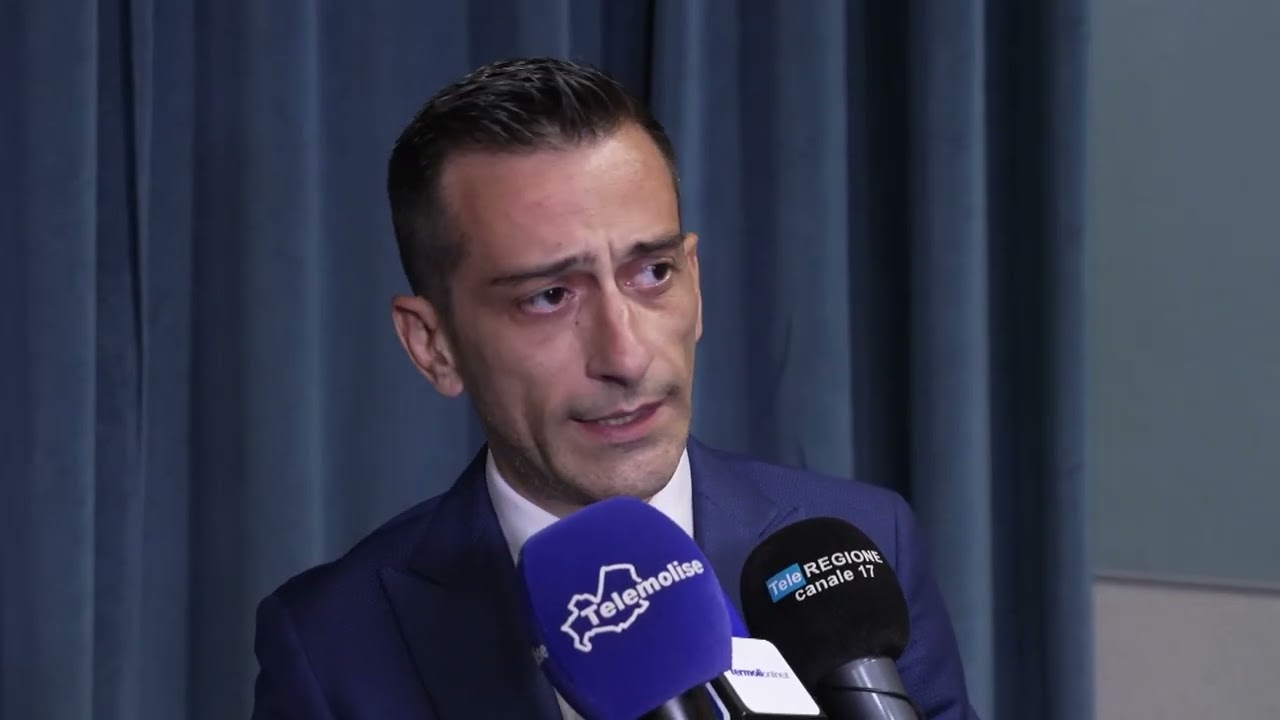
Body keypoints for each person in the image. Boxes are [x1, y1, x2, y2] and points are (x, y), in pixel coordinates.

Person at [251, 56, 977, 720]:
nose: (625, 356)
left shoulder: (866, 542)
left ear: (696, 283)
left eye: (652, 273)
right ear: (433, 345)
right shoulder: (328, 646)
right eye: (547, 297)